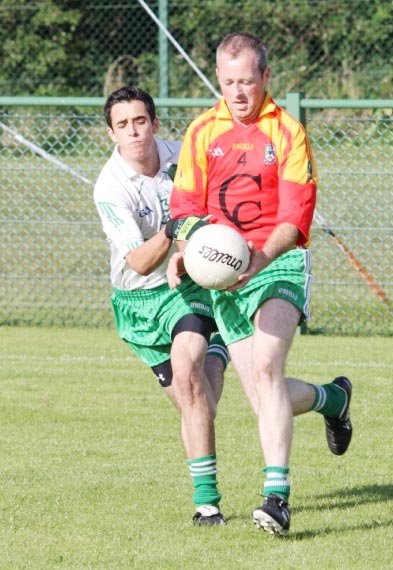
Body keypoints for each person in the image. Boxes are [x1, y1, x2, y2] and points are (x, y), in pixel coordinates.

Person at [167, 32, 353, 536]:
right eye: (228, 82)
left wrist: (260, 256)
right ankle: (331, 400)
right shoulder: (202, 132)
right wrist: (192, 249)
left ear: (265, 78)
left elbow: (296, 215)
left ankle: (277, 499)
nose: (238, 92)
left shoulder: (288, 132)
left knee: (268, 367)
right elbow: (183, 207)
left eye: (247, 81)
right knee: (262, 395)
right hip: (226, 276)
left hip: (278, 264)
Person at [93, 85, 230, 527]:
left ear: (154, 123)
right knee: (198, 400)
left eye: (140, 121)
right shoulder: (110, 188)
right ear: (111, 133)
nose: (134, 132)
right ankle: (327, 398)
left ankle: (206, 505)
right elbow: (138, 260)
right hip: (137, 301)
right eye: (123, 125)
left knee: (190, 383)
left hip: (185, 289)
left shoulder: (184, 157)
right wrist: (173, 228)